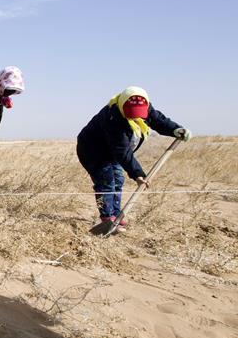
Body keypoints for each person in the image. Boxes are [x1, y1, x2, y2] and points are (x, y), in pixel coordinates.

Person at [77, 86, 191, 233]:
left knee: (118, 180)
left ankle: (116, 214)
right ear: (122, 106)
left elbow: (159, 121)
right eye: (131, 114)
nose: (134, 118)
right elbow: (122, 150)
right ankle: (107, 219)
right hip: (93, 151)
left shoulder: (146, 107)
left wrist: (176, 130)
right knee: (106, 182)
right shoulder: (112, 117)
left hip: (112, 152)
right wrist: (138, 174)